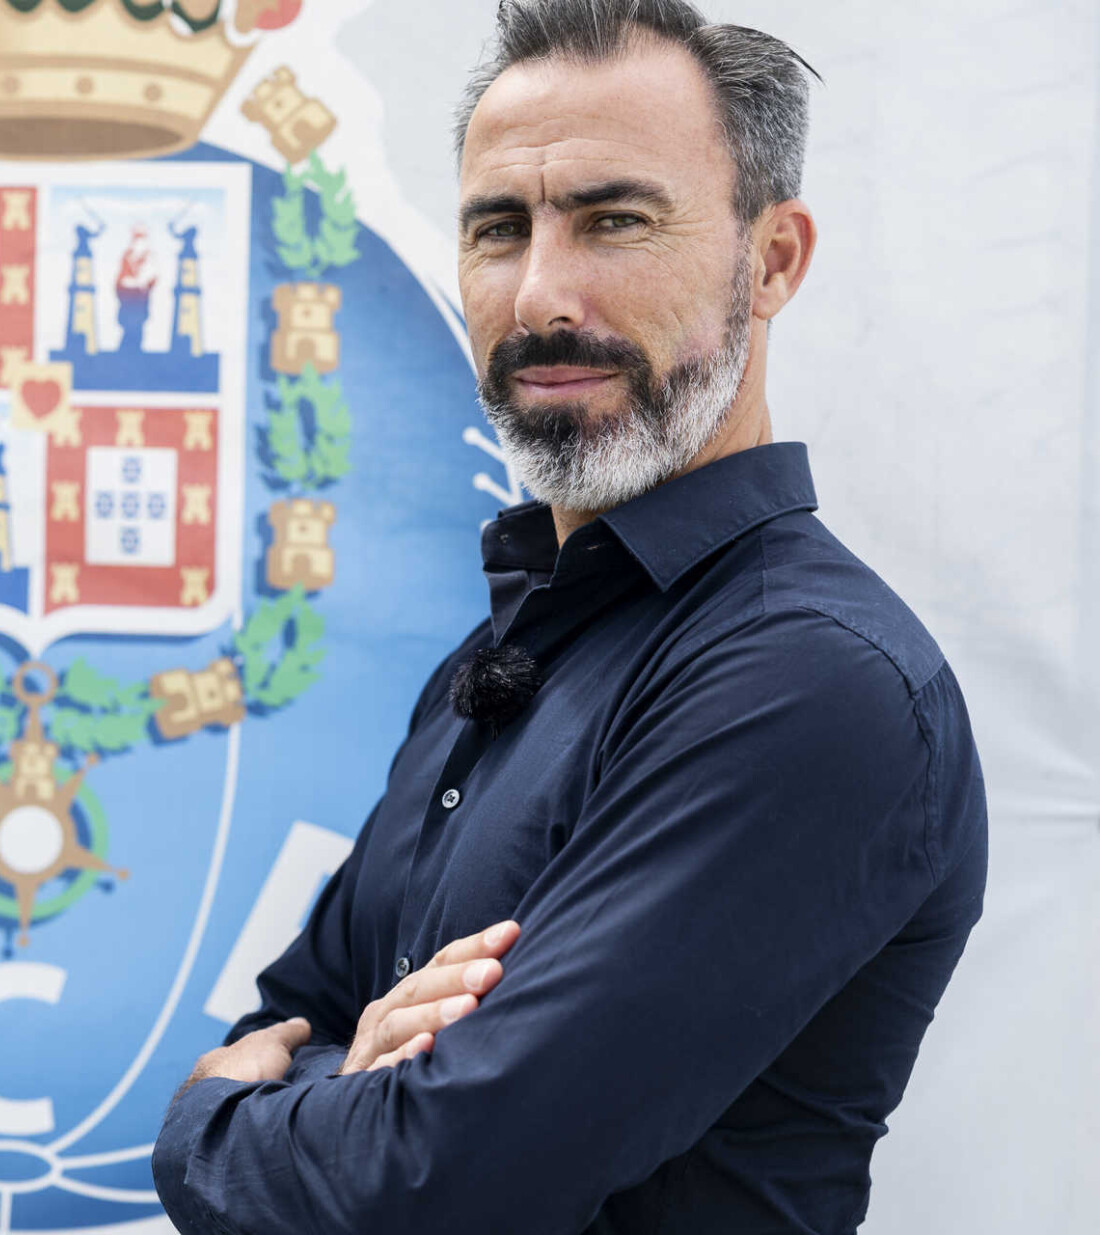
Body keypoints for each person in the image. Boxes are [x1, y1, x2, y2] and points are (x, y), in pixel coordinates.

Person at [151, 2, 987, 1232]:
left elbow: (436, 1179)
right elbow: (291, 1017)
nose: (541, 294)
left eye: (615, 219)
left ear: (772, 259)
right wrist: (351, 1081)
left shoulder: (812, 680)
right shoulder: (503, 653)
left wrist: (202, 1129)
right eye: (499, 228)